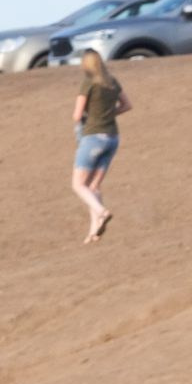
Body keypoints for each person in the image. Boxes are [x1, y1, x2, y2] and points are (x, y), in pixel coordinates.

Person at [70, 50, 129, 243]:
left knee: (78, 185)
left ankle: (101, 212)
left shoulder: (88, 83)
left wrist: (92, 117)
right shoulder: (112, 82)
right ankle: (94, 231)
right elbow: (127, 105)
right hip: (112, 138)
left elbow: (77, 115)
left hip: (93, 138)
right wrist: (108, 114)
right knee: (93, 186)